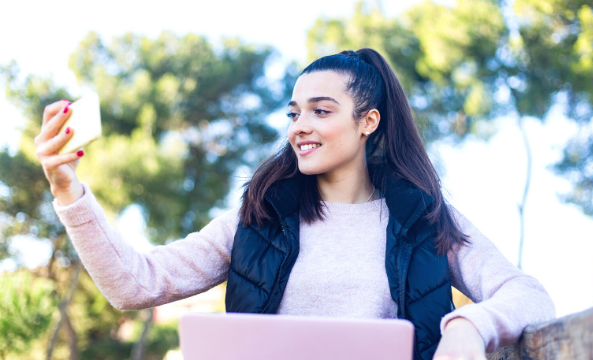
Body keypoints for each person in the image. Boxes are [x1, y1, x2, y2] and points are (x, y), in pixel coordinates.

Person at [36, 48, 555, 360]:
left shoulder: (425, 219)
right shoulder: (257, 217)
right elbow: (134, 284)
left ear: (367, 121)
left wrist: (469, 326)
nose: (299, 126)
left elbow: (527, 294)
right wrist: (67, 191)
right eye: (293, 112)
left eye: (321, 110)